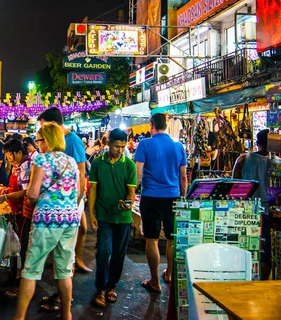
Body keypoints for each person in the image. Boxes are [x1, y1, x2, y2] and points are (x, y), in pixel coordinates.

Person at [14, 123, 80, 320]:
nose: (37, 144)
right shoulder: (71, 161)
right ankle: (67, 314)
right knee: (65, 270)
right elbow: (76, 192)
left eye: (39, 140)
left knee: (31, 270)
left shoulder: (41, 160)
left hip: (46, 221)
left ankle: (19, 317)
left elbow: (33, 194)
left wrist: (29, 194)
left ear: (47, 140)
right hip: (70, 220)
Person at [135, 113, 187, 294]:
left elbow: (138, 175)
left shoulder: (145, 144)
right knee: (172, 238)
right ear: (166, 125)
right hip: (173, 196)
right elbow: (183, 176)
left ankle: (154, 281)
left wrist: (133, 191)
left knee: (152, 238)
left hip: (151, 196)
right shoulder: (178, 146)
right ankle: (169, 274)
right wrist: (183, 196)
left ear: (151, 125)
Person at [37, 107, 90, 274]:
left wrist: (76, 202)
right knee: (63, 250)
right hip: (58, 202)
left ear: (53, 124)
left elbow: (81, 174)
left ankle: (66, 289)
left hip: (69, 201)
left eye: (44, 127)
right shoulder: (54, 143)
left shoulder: (73, 141)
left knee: (66, 251)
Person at [88, 128, 136, 307]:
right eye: (117, 146)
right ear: (108, 144)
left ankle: (111, 286)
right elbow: (92, 189)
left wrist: (128, 203)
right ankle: (100, 288)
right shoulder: (98, 163)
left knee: (118, 253)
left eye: (123, 147)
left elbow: (131, 192)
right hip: (104, 216)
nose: (120, 150)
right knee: (103, 252)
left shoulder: (129, 165)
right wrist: (91, 214)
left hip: (123, 217)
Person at [0, 139, 34, 298]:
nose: (8, 158)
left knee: (24, 247)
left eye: (9, 154)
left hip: (25, 211)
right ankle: (18, 277)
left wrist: (6, 196)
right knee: (20, 245)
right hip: (17, 210)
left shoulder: (26, 165)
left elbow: (26, 192)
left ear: (18, 152)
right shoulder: (19, 166)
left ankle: (22, 285)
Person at [232, 128, 271, 279]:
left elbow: (234, 186)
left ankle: (245, 277)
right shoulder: (276, 164)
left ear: (257, 142)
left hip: (246, 212)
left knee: (245, 247)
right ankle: (264, 281)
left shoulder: (243, 160)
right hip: (267, 212)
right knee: (265, 250)